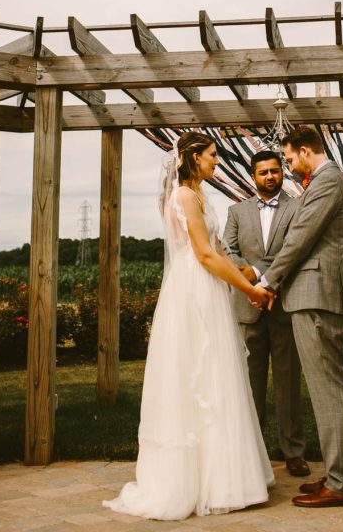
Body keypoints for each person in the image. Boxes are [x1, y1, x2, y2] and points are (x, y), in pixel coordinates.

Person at [103, 131, 274, 521]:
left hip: (208, 287)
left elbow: (220, 252)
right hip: (194, 291)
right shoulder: (183, 196)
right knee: (199, 376)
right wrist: (249, 289)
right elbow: (204, 255)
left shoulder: (199, 195)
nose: (217, 161)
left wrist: (247, 285)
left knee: (218, 376)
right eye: (212, 155)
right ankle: (197, 481)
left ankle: (225, 477)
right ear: (195, 157)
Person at [259, 126, 343, 508]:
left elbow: (299, 237)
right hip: (319, 296)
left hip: (320, 298)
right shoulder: (325, 181)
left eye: (288, 159)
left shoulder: (327, 181)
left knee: (329, 392)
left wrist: (268, 281)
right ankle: (337, 475)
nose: (287, 166)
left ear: (304, 151)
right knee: (326, 391)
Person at [223, 150, 309, 478]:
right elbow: (227, 249)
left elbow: (294, 249)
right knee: (249, 385)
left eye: (275, 171)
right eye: (263, 172)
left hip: (283, 305)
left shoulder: (297, 207)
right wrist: (250, 284)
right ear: (253, 176)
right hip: (247, 307)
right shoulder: (236, 211)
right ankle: (252, 453)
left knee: (288, 384)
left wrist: (260, 275)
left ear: (281, 172)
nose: (270, 177)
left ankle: (294, 452)